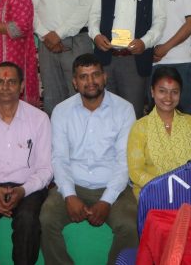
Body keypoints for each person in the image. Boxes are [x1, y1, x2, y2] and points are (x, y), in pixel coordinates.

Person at [40, 54, 137, 265]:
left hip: (113, 185)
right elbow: (59, 158)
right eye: (83, 77)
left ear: (105, 77)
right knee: (47, 218)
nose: (90, 81)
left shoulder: (124, 109)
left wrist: (107, 200)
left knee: (130, 224)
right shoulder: (62, 111)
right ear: (75, 82)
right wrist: (69, 195)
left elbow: (124, 161)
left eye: (95, 75)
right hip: (74, 183)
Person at [0, 62, 52, 265]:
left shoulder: (39, 119)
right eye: (0, 82)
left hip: (27, 187)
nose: (5, 87)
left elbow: (46, 168)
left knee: (28, 220)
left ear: (21, 86)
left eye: (12, 82)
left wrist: (23, 190)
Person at [88, 0, 166, 118]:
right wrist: (96, 35)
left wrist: (145, 42)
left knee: (133, 112)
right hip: (106, 59)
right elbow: (94, 16)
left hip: (134, 59)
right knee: (105, 112)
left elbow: (160, 20)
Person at [28, 0, 96, 115]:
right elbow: (31, 10)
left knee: (82, 95)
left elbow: (86, 7)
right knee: (52, 97)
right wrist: (46, 35)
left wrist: (57, 34)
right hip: (47, 45)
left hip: (77, 42)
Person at [127, 66, 191, 199]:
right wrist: (167, 186)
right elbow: (135, 171)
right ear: (152, 92)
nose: (168, 97)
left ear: (180, 94)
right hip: (153, 193)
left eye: (174, 92)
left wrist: (187, 188)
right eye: (162, 91)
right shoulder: (139, 128)